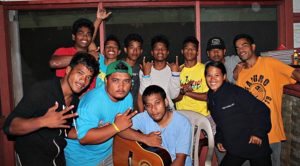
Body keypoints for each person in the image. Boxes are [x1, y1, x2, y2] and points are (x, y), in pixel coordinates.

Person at [3, 52, 99, 166]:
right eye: (80, 73)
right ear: (68, 70)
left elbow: (65, 130)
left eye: (88, 77)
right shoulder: (42, 91)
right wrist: (43, 121)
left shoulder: (74, 101)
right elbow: (9, 126)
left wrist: (92, 128)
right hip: (32, 158)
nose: (83, 80)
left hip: (57, 158)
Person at [233, 33, 300, 166]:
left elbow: (294, 74)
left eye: (244, 45)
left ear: (253, 46)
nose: (241, 50)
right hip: (250, 134)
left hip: (271, 132)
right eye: (237, 48)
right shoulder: (241, 75)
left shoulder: (269, 63)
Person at [64, 60, 136, 166]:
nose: (121, 86)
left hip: (108, 154)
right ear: (106, 81)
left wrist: (145, 138)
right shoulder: (92, 102)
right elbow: (83, 138)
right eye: (115, 80)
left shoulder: (127, 97)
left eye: (126, 81)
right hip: (81, 159)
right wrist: (115, 127)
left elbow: (122, 127)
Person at [205, 61, 272, 166]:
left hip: (254, 144)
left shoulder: (235, 92)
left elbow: (262, 110)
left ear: (224, 76)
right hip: (235, 147)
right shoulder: (211, 97)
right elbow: (220, 122)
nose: (212, 79)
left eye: (217, 75)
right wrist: (220, 139)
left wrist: (258, 133)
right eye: (209, 75)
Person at [119, 85, 192, 166]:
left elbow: (180, 160)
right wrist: (145, 138)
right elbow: (119, 129)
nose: (153, 109)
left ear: (166, 102)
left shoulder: (182, 123)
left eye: (157, 103)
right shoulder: (144, 117)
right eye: (148, 105)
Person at [139, 35, 180, 110]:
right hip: (150, 111)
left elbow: (174, 96)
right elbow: (144, 94)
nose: (160, 51)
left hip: (169, 111)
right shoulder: (145, 69)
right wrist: (146, 75)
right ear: (152, 52)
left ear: (167, 52)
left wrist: (175, 74)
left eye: (163, 49)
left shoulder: (173, 70)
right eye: (156, 49)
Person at [174, 36, 209, 116]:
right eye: (186, 48)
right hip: (182, 116)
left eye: (193, 48)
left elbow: (207, 97)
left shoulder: (205, 69)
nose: (189, 51)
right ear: (182, 51)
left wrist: (186, 92)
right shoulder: (177, 71)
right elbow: (174, 98)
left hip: (202, 116)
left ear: (197, 52)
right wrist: (184, 90)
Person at [123, 33, 144, 112]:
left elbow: (141, 94)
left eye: (138, 48)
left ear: (141, 51)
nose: (135, 51)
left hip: (135, 111)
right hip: (118, 111)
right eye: (132, 47)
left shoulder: (141, 69)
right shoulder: (118, 66)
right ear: (125, 49)